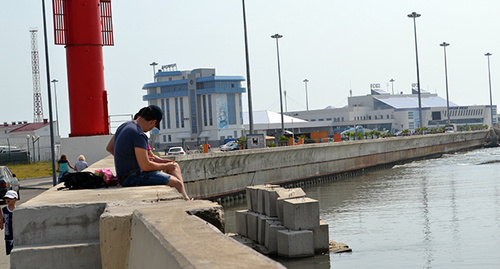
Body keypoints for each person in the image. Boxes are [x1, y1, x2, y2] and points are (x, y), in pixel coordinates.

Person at [106, 105, 190, 201]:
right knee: (176, 183)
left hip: (123, 175)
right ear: (153, 122)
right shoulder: (139, 134)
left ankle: (186, 198)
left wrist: (127, 159)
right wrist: (165, 166)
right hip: (132, 177)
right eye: (154, 126)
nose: (151, 129)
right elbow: (145, 166)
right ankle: (187, 202)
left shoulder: (124, 126)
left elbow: (110, 148)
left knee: (174, 166)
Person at [0, 190, 18, 255]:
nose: (8, 200)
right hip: (8, 236)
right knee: (10, 254)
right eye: (6, 198)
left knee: (17, 253)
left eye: (10, 198)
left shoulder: (18, 210)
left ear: (15, 199)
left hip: (16, 236)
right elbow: (2, 222)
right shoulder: (3, 210)